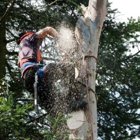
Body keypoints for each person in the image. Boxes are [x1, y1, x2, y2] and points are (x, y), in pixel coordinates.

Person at [17, 26, 87, 113]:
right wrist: (59, 38)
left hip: (30, 82)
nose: (39, 43)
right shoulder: (29, 37)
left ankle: (66, 110)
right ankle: (71, 98)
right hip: (34, 73)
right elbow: (48, 29)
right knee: (69, 68)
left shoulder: (23, 51)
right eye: (39, 41)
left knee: (54, 105)